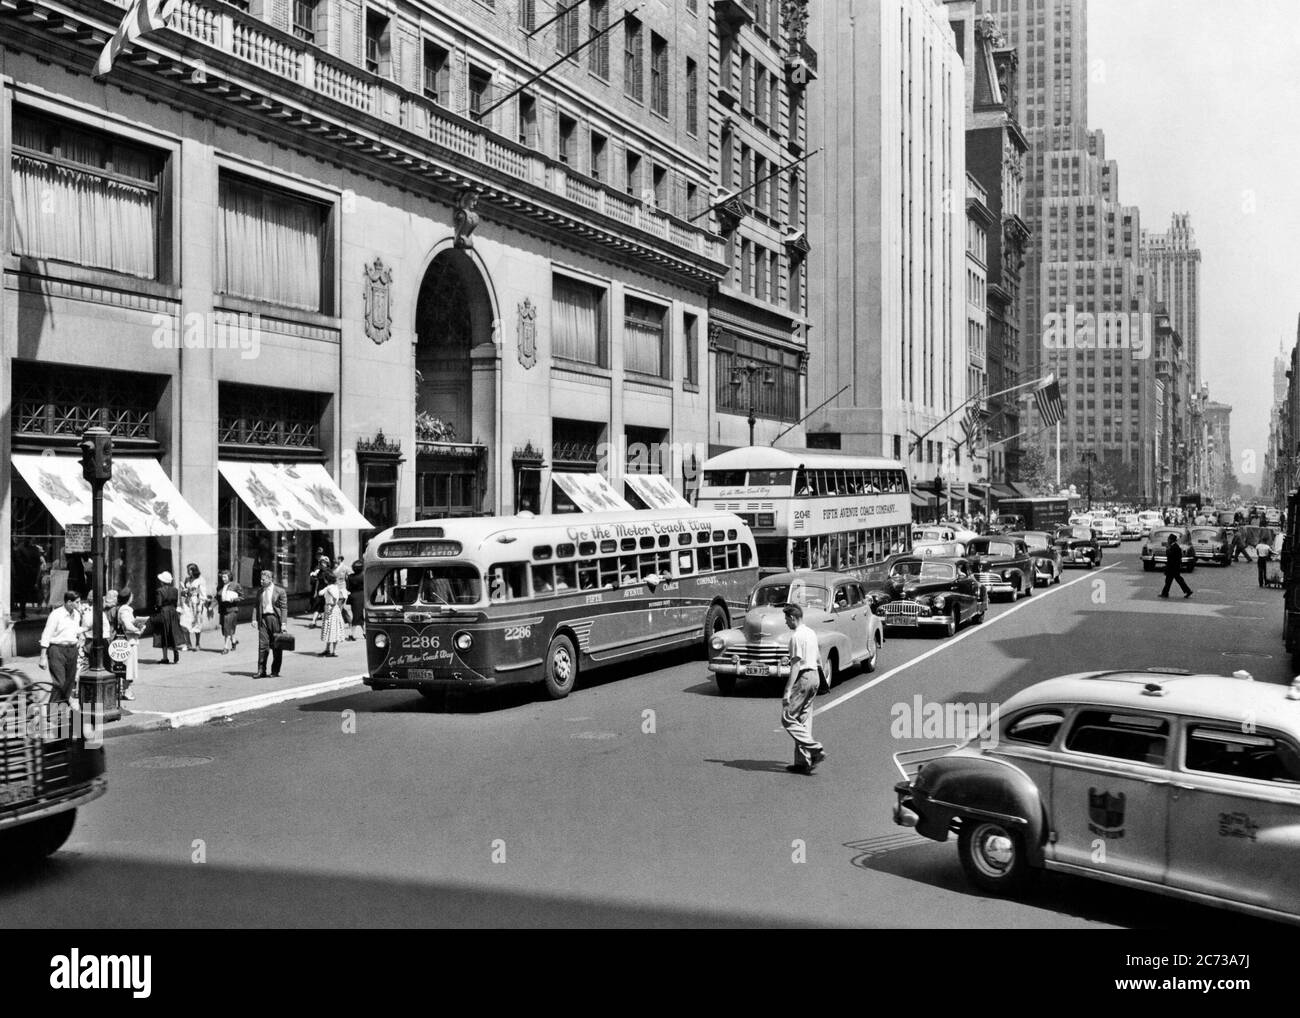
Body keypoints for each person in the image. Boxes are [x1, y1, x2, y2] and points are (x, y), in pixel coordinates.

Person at [780, 604, 826, 776]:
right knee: (803, 719)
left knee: (788, 718)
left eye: (786, 619)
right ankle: (802, 763)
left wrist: (787, 690)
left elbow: (796, 665)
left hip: (804, 677)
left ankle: (815, 749)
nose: (786, 623)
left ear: (792, 618)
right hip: (815, 675)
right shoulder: (811, 633)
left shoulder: (796, 637)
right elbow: (818, 657)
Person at [38, 591, 83, 703]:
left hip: (72, 650)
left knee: (69, 683)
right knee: (60, 682)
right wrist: (42, 657)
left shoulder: (76, 614)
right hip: (56, 650)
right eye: (77, 602)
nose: (79, 604)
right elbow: (46, 634)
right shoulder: (56, 614)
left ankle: (61, 713)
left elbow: (75, 630)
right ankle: (52, 714)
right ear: (69, 602)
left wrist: (81, 636)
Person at [255, 570, 288, 678]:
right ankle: (261, 670)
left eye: (263, 579)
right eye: (261, 579)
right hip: (263, 619)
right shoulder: (260, 591)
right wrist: (254, 619)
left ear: (270, 579)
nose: (261, 581)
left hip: (275, 619)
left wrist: (283, 624)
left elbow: (283, 608)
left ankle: (275, 671)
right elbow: (256, 606)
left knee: (276, 646)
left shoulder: (280, 591)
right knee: (262, 645)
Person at [113, 588, 144, 701]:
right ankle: (126, 691)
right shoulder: (125, 609)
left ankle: (121, 690)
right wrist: (138, 629)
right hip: (128, 641)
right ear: (128, 598)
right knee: (128, 667)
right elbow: (128, 625)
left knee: (122, 666)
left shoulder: (119, 608)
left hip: (123, 640)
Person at [152, 571, 184, 664]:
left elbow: (158, 604)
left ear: (162, 581)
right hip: (173, 612)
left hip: (164, 612)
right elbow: (175, 602)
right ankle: (175, 649)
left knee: (163, 634)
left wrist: (155, 609)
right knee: (172, 632)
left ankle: (165, 657)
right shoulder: (175, 590)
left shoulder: (159, 591)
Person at [180, 563, 209, 652]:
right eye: (188, 570)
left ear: (194, 570)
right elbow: (183, 592)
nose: (189, 572)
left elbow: (203, 593)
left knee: (197, 623)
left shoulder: (200, 580)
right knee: (184, 622)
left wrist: (201, 603)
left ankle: (197, 643)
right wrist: (184, 591)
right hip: (187, 603)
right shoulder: (187, 579)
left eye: (190, 570)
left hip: (196, 603)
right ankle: (188, 643)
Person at [320, 566, 347, 657]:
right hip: (333, 608)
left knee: (331, 629)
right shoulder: (333, 587)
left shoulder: (330, 588)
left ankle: (332, 650)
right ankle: (330, 649)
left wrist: (332, 602)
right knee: (332, 629)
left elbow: (333, 597)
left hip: (331, 608)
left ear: (326, 580)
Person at [216, 571, 242, 654]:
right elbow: (216, 598)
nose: (223, 579)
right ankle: (233, 641)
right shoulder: (220, 587)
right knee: (226, 628)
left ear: (229, 577)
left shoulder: (235, 585)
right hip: (223, 610)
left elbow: (242, 596)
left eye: (225, 577)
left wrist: (234, 599)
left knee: (227, 627)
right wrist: (210, 606)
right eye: (222, 577)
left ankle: (225, 647)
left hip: (232, 609)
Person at [1159, 534, 1192, 599]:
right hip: (1173, 567)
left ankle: (1188, 591)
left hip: (1173, 568)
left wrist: (1167, 549)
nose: (1167, 540)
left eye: (1168, 539)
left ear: (1171, 540)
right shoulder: (1174, 546)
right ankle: (1165, 593)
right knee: (1171, 580)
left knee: (1172, 580)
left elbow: (1170, 555)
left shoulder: (1175, 547)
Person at [307, 555, 332, 627]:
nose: (322, 564)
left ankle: (327, 623)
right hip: (320, 591)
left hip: (327, 592)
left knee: (327, 608)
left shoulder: (329, 572)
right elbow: (316, 581)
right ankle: (313, 622)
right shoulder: (319, 572)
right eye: (321, 563)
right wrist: (315, 591)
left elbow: (331, 582)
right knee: (317, 606)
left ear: (327, 563)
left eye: (324, 562)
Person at [346, 560, 365, 641]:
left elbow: (348, 588)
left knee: (356, 616)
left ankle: (352, 634)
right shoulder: (364, 576)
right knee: (359, 616)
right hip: (362, 595)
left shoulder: (350, 577)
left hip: (354, 596)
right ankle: (364, 633)